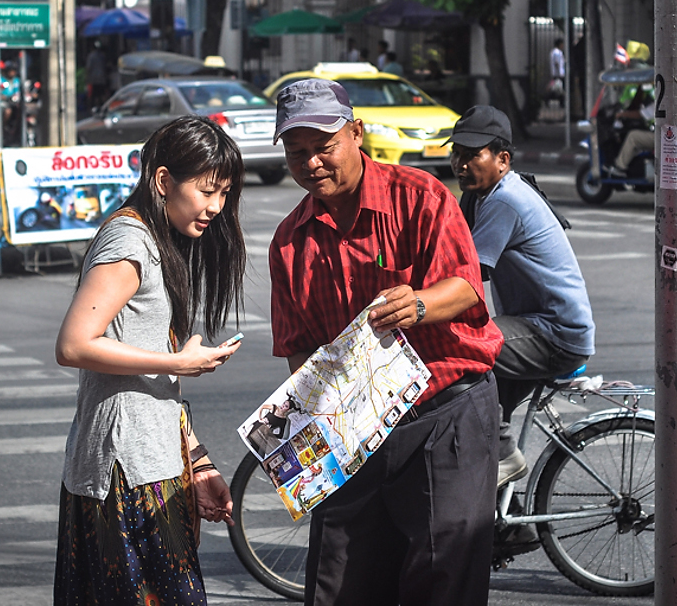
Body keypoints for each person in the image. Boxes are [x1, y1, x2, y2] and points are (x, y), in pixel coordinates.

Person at [268, 78, 503, 606]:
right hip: (354, 429)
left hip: (444, 410)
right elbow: (299, 347)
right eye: (297, 152)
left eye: (323, 146)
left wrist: (418, 304)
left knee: (443, 575)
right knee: (337, 579)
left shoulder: (420, 196)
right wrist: (317, 410)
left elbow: (466, 286)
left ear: (356, 133)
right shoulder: (289, 240)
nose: (311, 163)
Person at [53, 116, 247, 606]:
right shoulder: (129, 241)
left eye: (224, 193)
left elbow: (155, 382)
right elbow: (73, 344)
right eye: (207, 191)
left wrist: (197, 462)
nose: (216, 207)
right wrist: (178, 362)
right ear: (163, 181)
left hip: (151, 464)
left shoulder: (158, 242)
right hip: (124, 474)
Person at [447, 106, 594, 486]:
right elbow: (449, 251)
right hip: (529, 327)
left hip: (553, 334)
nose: (460, 164)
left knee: (466, 350)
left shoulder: (505, 199)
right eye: (456, 154)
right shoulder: (479, 196)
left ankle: (506, 455)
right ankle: (496, 514)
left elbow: (469, 275)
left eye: (472, 155)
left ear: (502, 159)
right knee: (475, 406)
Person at [609, 85, 655, 176]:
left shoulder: (664, 102)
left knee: (633, 136)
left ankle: (620, 167)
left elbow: (641, 114)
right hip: (665, 136)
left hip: (663, 138)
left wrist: (621, 114)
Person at [86, 42, 110, 111]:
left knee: (94, 94)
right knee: (102, 94)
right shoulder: (102, 56)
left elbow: (88, 67)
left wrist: (87, 77)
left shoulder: (91, 56)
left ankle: (95, 107)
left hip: (94, 79)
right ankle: (103, 107)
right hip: (102, 78)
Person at [548, 38, 566, 108]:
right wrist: (560, 73)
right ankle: (549, 98)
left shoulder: (554, 52)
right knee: (558, 89)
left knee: (557, 88)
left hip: (556, 74)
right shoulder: (557, 52)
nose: (563, 45)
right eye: (562, 44)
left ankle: (561, 102)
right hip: (558, 74)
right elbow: (557, 63)